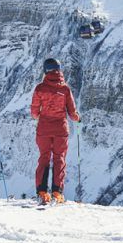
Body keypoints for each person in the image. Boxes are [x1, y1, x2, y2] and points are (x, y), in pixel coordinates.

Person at [30, 58, 80, 204]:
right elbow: (72, 113)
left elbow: (34, 111)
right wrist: (77, 118)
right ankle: (57, 193)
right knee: (59, 159)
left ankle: (42, 192)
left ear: (45, 70)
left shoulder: (40, 88)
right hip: (60, 130)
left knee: (44, 158)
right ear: (59, 70)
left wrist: (40, 116)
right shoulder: (65, 89)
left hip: (43, 130)